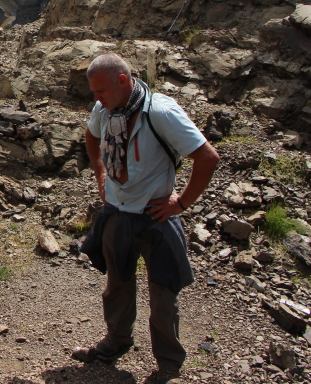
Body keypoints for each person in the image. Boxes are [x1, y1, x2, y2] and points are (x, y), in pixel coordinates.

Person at [73, 53, 219, 384]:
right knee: (116, 285)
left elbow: (207, 157)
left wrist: (181, 203)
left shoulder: (161, 112)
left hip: (156, 217)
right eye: (94, 93)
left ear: (122, 81)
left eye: (100, 91)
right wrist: (100, 174)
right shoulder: (106, 109)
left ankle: (169, 365)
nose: (96, 99)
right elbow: (92, 135)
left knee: (163, 294)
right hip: (118, 213)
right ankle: (116, 341)